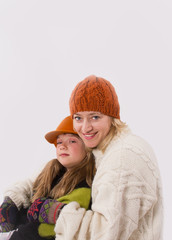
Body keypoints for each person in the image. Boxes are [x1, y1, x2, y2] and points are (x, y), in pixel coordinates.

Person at [54, 75, 163, 240]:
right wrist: (18, 195)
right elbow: (58, 168)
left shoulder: (122, 157)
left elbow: (106, 234)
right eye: (78, 118)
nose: (85, 128)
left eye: (95, 117)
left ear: (112, 117)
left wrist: (57, 213)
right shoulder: (103, 148)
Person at [0, 116, 95, 240]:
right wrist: (12, 201)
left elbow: (53, 228)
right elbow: (29, 187)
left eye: (72, 141)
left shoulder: (85, 183)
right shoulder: (52, 169)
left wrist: (14, 236)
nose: (62, 146)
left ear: (88, 147)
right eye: (59, 142)